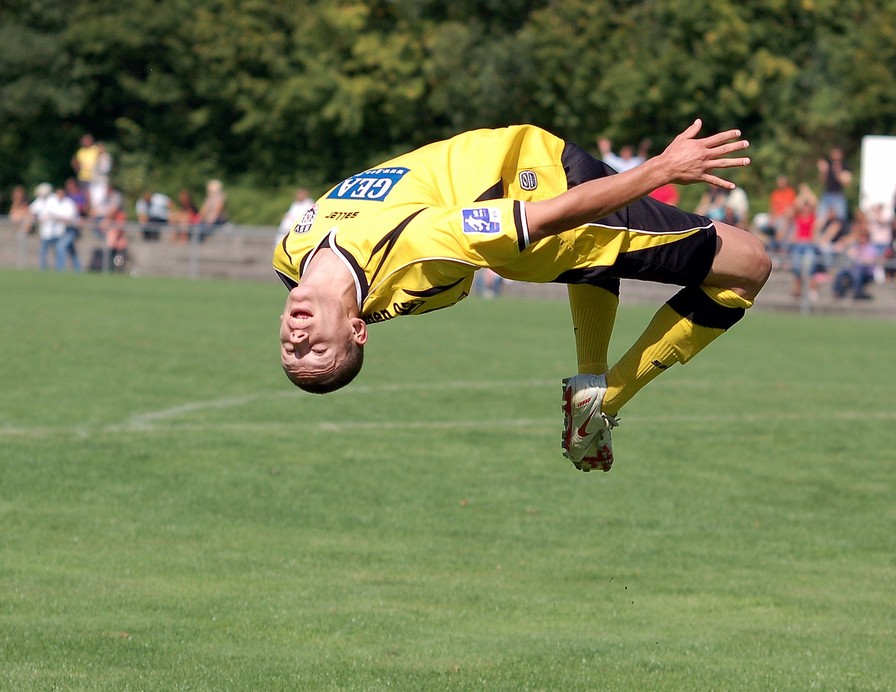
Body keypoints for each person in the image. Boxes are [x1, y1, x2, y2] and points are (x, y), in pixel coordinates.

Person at [273, 121, 770, 472]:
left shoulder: (290, 252)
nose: (298, 338)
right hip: (548, 190)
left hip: (535, 168)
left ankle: (589, 389)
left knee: (595, 265)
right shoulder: (418, 245)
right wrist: (660, 169)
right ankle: (608, 397)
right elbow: (549, 217)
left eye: (291, 350)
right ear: (356, 330)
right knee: (749, 266)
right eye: (315, 349)